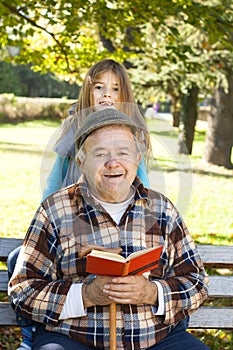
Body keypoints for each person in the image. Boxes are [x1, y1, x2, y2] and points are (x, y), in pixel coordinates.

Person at [9, 108, 210, 350]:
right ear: (82, 162)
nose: (113, 162)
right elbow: (23, 290)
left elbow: (197, 283)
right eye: (100, 153)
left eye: (123, 152)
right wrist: (86, 295)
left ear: (137, 158)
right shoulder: (55, 210)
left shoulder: (162, 209)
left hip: (158, 340)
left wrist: (152, 292)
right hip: (75, 339)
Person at [7, 58, 150, 350]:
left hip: (111, 229)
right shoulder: (73, 126)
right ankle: (31, 332)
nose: (106, 94)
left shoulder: (133, 131)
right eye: (99, 87)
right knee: (17, 260)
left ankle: (158, 330)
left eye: (115, 88)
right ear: (88, 91)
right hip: (68, 226)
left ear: (125, 95)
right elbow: (52, 182)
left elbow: (142, 187)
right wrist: (46, 224)